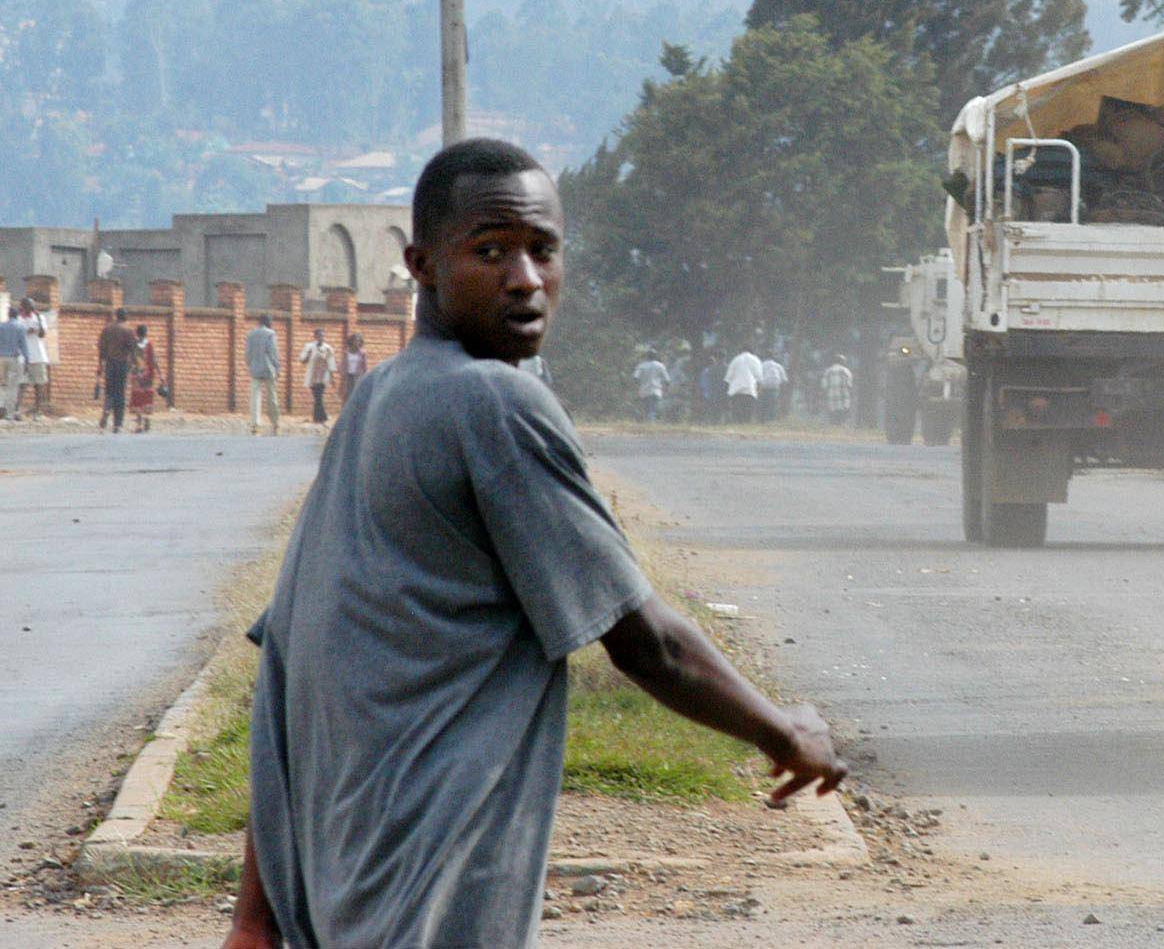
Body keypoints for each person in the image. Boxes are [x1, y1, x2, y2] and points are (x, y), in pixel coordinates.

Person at [223, 138, 843, 949]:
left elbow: (290, 661)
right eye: (490, 251)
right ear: (422, 264)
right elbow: (645, 639)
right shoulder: (495, 404)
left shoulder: (379, 397)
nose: (525, 279)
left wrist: (255, 915)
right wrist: (783, 729)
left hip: (343, 898)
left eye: (543, 251)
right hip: (422, 896)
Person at [97, 307, 138, 434]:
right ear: (125, 317)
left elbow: (101, 349)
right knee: (120, 394)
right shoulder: (128, 330)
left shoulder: (107, 329)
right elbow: (133, 349)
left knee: (109, 391)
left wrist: (100, 366)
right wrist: (135, 365)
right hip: (122, 364)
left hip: (109, 364)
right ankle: (117, 424)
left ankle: (106, 410)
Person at [246, 313, 281, 436]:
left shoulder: (251, 334)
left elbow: (248, 353)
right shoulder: (270, 334)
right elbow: (273, 352)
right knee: (272, 396)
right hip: (268, 368)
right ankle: (275, 422)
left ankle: (256, 424)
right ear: (268, 322)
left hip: (255, 368)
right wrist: (277, 367)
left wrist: (250, 364)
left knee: (255, 397)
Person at [299, 327, 336, 426]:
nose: (321, 338)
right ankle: (321, 417)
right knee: (317, 396)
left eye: (323, 336)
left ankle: (319, 417)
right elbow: (302, 360)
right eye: (319, 336)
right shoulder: (309, 347)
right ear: (315, 336)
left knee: (319, 396)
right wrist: (308, 355)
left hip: (323, 375)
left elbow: (331, 363)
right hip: (312, 376)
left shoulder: (328, 348)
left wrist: (332, 377)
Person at [19, 297, 49, 418]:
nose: (28, 310)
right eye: (26, 308)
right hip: (23, 357)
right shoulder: (19, 319)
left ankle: (38, 411)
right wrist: (27, 331)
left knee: (39, 384)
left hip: (38, 355)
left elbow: (42, 334)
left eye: (30, 308)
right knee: (21, 385)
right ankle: (17, 410)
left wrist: (38, 320)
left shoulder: (39, 318)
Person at [129, 323, 159, 433]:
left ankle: (139, 424)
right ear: (146, 333)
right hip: (148, 376)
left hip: (137, 376)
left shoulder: (134, 346)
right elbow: (154, 361)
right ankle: (147, 418)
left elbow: (131, 360)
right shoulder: (150, 345)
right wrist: (160, 375)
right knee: (147, 397)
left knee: (137, 398)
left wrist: (129, 371)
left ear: (137, 333)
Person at [725, 344, 763, 425]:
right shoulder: (755, 360)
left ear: (740, 351)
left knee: (737, 416)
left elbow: (728, 378)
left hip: (736, 392)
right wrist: (758, 392)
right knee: (747, 416)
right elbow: (759, 378)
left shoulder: (735, 360)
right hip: (750, 391)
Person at [0, 306, 26, 421]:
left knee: (2, 385)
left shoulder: (1, 326)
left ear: (8, 315)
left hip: (2, 358)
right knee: (13, 387)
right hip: (14, 359)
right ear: (17, 315)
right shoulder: (21, 327)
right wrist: (28, 359)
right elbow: (23, 345)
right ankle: (9, 414)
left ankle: (1, 408)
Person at [632, 348, 670, 424]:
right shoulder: (660, 366)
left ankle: (648, 423)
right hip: (656, 391)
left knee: (647, 409)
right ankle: (651, 424)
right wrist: (666, 389)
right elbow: (667, 380)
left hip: (644, 391)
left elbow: (635, 377)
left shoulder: (642, 366)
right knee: (653, 409)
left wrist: (637, 386)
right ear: (655, 356)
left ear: (647, 356)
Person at [821, 355, 855, 428]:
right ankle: (842, 427)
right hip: (844, 397)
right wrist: (852, 395)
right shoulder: (846, 371)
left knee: (833, 415)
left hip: (831, 397)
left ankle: (834, 428)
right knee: (843, 415)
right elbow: (849, 385)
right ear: (842, 361)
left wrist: (824, 395)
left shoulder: (828, 371)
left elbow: (824, 386)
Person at [340, 333, 368, 404]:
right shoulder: (346, 353)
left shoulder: (362, 353)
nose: (357, 342)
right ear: (351, 341)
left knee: (356, 395)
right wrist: (342, 374)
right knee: (347, 395)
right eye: (355, 341)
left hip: (358, 376)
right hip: (348, 376)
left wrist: (365, 377)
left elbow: (365, 367)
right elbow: (342, 365)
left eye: (359, 341)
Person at [759, 354, 788, 422]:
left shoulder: (761, 365)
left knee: (763, 404)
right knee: (773, 405)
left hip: (764, 388)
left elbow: (758, 377)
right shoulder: (778, 366)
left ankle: (762, 419)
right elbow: (784, 380)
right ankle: (771, 420)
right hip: (774, 388)